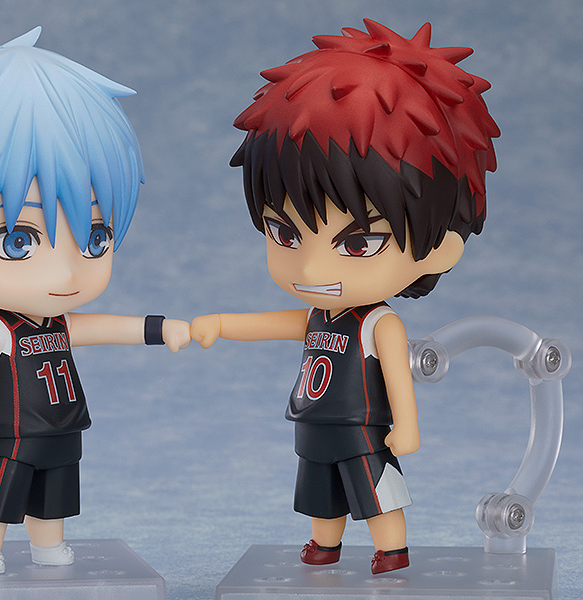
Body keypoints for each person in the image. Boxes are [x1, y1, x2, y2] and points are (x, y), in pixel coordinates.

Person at [0, 25, 190, 574]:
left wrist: (159, 328)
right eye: (18, 241)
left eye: (95, 238)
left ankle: (47, 545)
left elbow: (106, 328)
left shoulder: (58, 323)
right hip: (7, 436)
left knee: (54, 496)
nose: (65, 272)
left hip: (62, 429)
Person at [191, 19, 499, 575]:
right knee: (319, 492)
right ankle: (324, 544)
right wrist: (220, 322)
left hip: (363, 428)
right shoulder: (318, 315)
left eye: (357, 243)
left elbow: (398, 380)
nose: (312, 268)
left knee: (376, 490)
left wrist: (407, 425)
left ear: (440, 248)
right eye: (284, 233)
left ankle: (391, 548)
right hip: (313, 423)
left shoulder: (379, 324)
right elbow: (274, 324)